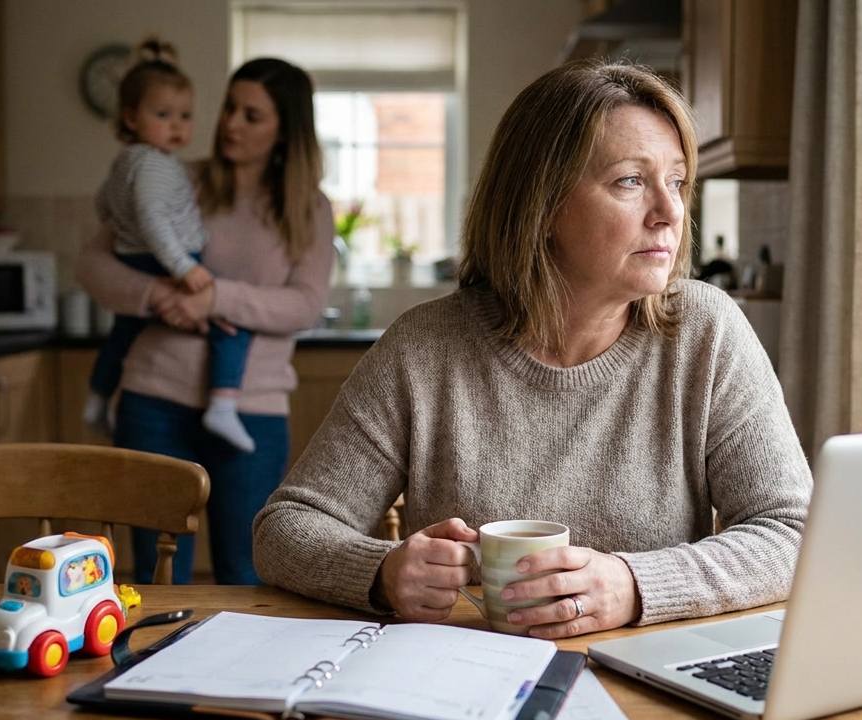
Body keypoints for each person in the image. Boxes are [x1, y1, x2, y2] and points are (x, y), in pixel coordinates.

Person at [253, 60, 812, 639]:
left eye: (676, 181)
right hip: (469, 684)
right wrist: (382, 571)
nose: (670, 213)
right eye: (630, 181)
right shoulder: (424, 349)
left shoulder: (706, 331)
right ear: (542, 205)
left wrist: (631, 585)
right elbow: (285, 529)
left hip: (654, 683)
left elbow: (793, 533)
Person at [77, 58, 333, 585]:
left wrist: (214, 297)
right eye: (229, 107)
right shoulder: (172, 175)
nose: (231, 123)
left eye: (252, 115)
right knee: (155, 574)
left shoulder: (309, 207)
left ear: (286, 129)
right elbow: (92, 264)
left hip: (252, 416)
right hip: (153, 403)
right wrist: (156, 293)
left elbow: (303, 304)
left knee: (246, 571)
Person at [85, 38, 256, 453]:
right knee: (230, 325)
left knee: (123, 333)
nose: (177, 126)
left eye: (184, 116)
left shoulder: (124, 162)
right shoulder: (157, 166)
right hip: (168, 260)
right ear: (130, 117)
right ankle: (222, 402)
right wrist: (183, 268)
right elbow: (154, 221)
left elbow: (102, 204)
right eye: (163, 115)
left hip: (134, 256)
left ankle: (96, 398)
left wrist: (120, 222)